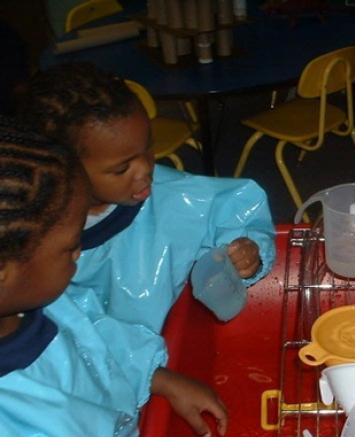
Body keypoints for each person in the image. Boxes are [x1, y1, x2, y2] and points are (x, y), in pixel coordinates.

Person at [0, 120, 229, 437]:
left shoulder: (40, 301)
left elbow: (95, 339)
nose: (80, 254)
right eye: (70, 247)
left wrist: (158, 378)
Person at [16, 62, 276, 332]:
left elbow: (234, 209)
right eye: (121, 169)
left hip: (173, 343)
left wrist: (247, 252)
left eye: (148, 148)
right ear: (62, 169)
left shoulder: (171, 194)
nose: (145, 171)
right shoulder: (37, 238)